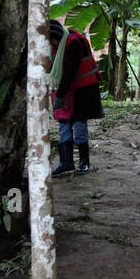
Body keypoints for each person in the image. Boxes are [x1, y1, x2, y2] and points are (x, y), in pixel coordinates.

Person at [49, 19, 103, 177]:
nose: (50, 44)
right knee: (64, 123)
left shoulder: (73, 43)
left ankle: (84, 162)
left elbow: (70, 73)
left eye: (51, 40)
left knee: (79, 124)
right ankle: (66, 163)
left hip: (84, 89)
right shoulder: (55, 46)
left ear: (57, 36)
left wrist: (59, 96)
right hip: (66, 88)